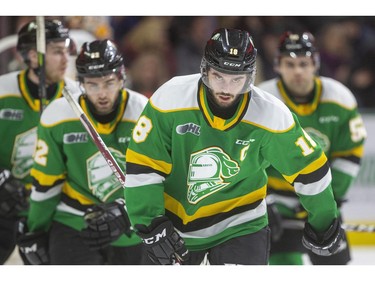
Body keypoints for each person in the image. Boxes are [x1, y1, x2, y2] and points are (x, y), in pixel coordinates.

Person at [123, 27, 345, 265]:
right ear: (205, 70)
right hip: (175, 223)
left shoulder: (270, 114)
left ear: (250, 77)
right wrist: (149, 221)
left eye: (236, 79)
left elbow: (309, 169)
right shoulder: (170, 99)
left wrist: (324, 221)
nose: (226, 89)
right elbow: (144, 164)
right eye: (218, 76)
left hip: (241, 222)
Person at [16, 39, 150, 265]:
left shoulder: (144, 114)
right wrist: (34, 230)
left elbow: (160, 179)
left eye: (108, 83)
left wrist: (129, 213)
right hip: (74, 220)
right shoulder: (58, 116)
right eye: (92, 84)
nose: (102, 94)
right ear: (81, 84)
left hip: (131, 224)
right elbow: (46, 183)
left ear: (121, 78)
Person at [257, 31, 367, 265]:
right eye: (290, 64)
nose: (297, 71)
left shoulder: (340, 99)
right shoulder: (262, 101)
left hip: (324, 198)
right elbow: (247, 159)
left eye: (303, 64)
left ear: (315, 64)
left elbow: (349, 155)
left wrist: (328, 201)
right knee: (285, 266)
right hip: (277, 203)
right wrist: (264, 201)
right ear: (277, 65)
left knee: (335, 269)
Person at [0, 18, 79, 265]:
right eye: (57, 51)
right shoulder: (2, 91)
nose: (66, 59)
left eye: (67, 50)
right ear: (33, 56)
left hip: (52, 209)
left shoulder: (77, 99)